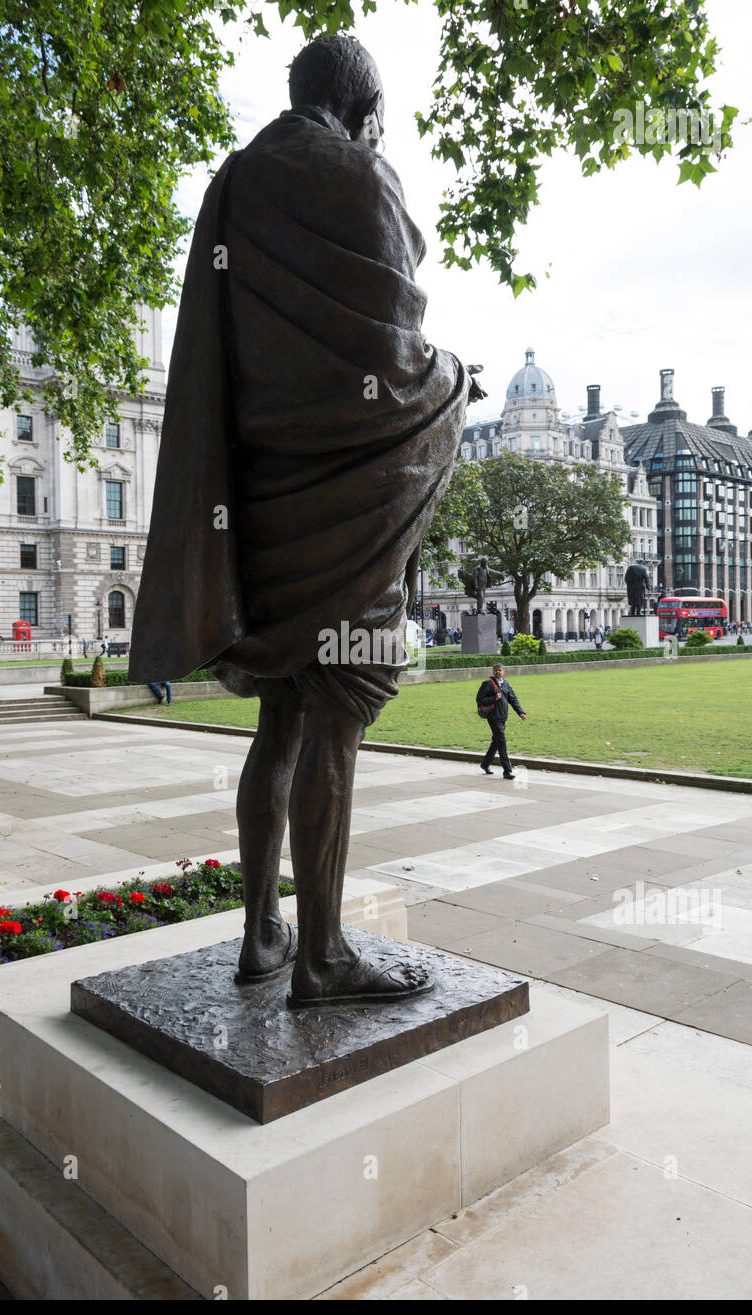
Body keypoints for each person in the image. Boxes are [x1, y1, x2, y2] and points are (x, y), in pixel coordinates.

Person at [129, 35, 477, 1006]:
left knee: (280, 718)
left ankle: (261, 934)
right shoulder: (361, 174)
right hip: (348, 500)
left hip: (262, 498)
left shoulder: (239, 178)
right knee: (330, 720)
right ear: (366, 112)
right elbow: (393, 350)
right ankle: (322, 957)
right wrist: (453, 383)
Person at [477, 662, 527, 779]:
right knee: (502, 743)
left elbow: (513, 699)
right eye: (496, 670)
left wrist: (520, 712)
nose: (498, 672)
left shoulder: (506, 684)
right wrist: (494, 698)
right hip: (493, 717)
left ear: (503, 671)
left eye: (500, 670)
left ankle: (485, 764)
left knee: (496, 741)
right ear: (493, 671)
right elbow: (480, 699)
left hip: (503, 717)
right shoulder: (487, 684)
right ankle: (507, 771)